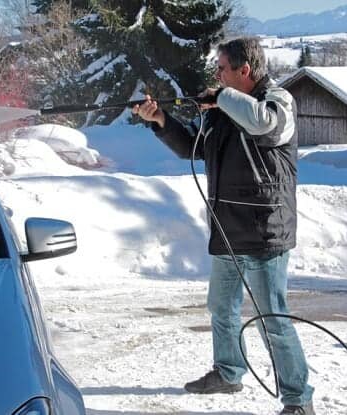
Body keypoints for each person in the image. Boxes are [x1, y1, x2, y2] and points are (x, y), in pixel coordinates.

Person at [132, 37, 314, 415]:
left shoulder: (278, 102)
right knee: (221, 307)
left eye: (222, 69)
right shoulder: (224, 109)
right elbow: (194, 148)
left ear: (244, 70)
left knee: (272, 320)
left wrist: (220, 97)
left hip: (266, 231)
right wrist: (162, 121)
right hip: (228, 228)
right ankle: (229, 372)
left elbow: (263, 123)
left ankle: (299, 400)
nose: (215, 76)